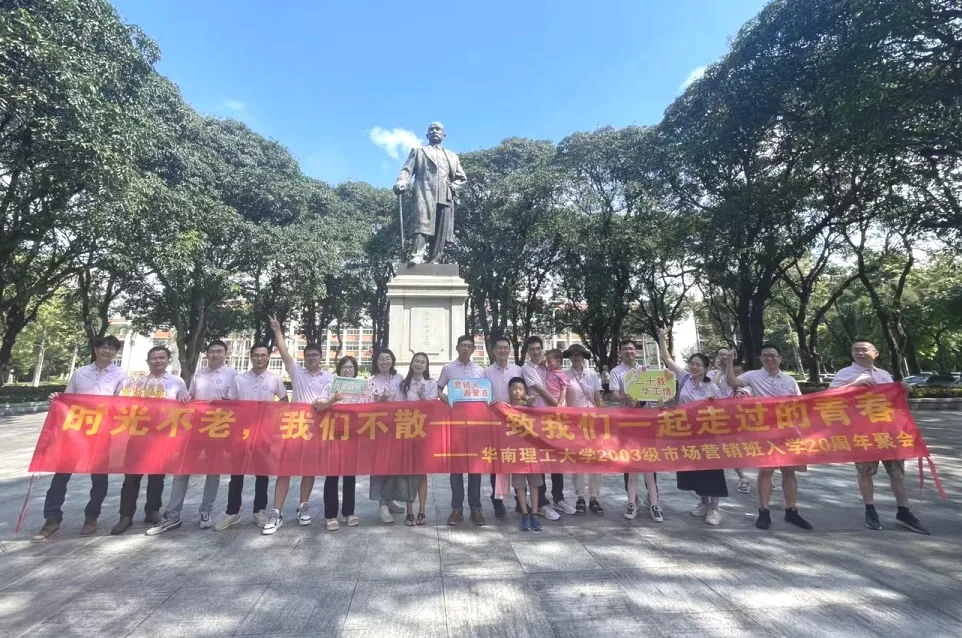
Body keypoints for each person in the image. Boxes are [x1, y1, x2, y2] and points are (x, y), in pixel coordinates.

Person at [828, 339, 928, 534]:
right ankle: (870, 510)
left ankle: (904, 512)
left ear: (875, 353)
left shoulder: (884, 374)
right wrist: (853, 385)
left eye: (864, 349)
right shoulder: (844, 374)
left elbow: (891, 402)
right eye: (855, 350)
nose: (859, 353)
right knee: (865, 472)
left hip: (888, 431)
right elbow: (827, 397)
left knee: (897, 473)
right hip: (862, 432)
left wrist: (903, 392)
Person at [34, 336, 125, 541]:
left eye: (112, 348)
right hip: (76, 431)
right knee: (61, 475)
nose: (107, 351)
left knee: (99, 478)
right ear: (96, 349)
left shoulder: (121, 374)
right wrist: (56, 400)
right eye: (103, 347)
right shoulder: (80, 373)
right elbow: (67, 400)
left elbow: (121, 403)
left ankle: (91, 517)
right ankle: (52, 519)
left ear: (116, 352)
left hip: (102, 433)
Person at [147, 340, 236, 535]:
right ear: (207, 354)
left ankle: (205, 511)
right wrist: (185, 397)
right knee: (182, 470)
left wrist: (222, 401)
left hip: (218, 428)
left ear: (226, 354)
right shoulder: (199, 374)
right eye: (211, 351)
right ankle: (173, 515)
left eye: (219, 351)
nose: (215, 355)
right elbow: (191, 395)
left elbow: (236, 402)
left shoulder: (233, 375)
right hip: (194, 428)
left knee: (213, 472)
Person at [262, 315, 337, 535]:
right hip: (295, 427)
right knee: (285, 470)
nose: (312, 358)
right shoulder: (296, 371)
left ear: (321, 357)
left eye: (315, 355)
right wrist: (277, 330)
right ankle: (276, 512)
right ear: (304, 357)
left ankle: (303, 505)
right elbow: (284, 351)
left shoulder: (329, 377)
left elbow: (331, 399)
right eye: (308, 355)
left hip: (317, 429)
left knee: (309, 470)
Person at [725, 343, 813, 531]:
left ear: (780, 358)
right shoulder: (753, 376)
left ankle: (791, 510)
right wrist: (730, 363)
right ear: (761, 358)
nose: (770, 359)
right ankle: (764, 511)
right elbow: (732, 383)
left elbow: (799, 405)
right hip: (765, 432)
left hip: (788, 432)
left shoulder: (789, 380)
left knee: (789, 471)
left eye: (773, 355)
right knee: (766, 471)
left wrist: (801, 430)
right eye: (765, 355)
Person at [110, 346, 189, 535]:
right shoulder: (138, 382)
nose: (158, 361)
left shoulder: (177, 382)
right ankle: (126, 515)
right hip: (138, 434)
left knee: (157, 476)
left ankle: (152, 511)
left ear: (168, 360)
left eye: (162, 357)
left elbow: (185, 407)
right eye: (154, 358)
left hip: (162, 436)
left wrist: (185, 398)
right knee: (132, 476)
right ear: (148, 361)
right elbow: (122, 403)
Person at [213, 343, 288, 531]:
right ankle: (233, 512)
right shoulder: (239, 379)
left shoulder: (275, 379)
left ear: (268, 357)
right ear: (251, 356)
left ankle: (259, 510)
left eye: (263, 355)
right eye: (256, 355)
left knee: (261, 472)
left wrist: (274, 418)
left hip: (264, 432)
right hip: (241, 432)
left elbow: (284, 402)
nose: (260, 358)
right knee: (236, 473)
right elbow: (232, 403)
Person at [657, 329, 728, 525]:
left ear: (706, 368)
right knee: (696, 469)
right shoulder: (685, 378)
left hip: (708, 435)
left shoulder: (712, 387)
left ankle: (714, 509)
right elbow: (668, 359)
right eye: (692, 363)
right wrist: (662, 339)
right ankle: (703, 503)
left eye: (698, 365)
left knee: (712, 471)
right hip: (687, 434)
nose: (694, 367)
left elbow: (724, 409)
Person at [393, 121, 468, 264]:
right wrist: (402, 181)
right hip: (424, 192)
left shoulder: (452, 156)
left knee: (441, 229)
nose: (434, 131)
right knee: (421, 224)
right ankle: (417, 255)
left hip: (445, 195)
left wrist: (453, 187)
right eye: (431, 129)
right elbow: (406, 170)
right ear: (427, 135)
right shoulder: (418, 151)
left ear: (444, 135)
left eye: (438, 129)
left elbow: (462, 178)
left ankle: (435, 260)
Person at [521, 336, 576, 520]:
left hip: (555, 420)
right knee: (541, 460)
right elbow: (541, 390)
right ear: (528, 352)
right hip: (537, 419)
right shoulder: (527, 369)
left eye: (538, 348)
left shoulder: (548, 366)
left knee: (556, 458)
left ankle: (558, 498)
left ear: (542, 350)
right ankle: (542, 503)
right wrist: (558, 405)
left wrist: (560, 408)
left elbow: (561, 384)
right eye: (532, 349)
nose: (535, 352)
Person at [609, 339, 663, 523]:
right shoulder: (617, 372)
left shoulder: (646, 371)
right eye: (625, 349)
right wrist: (625, 397)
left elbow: (655, 393)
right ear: (620, 352)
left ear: (637, 352)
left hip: (646, 421)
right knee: (629, 462)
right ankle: (633, 501)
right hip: (627, 421)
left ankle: (654, 500)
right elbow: (614, 394)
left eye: (631, 349)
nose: (629, 351)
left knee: (649, 462)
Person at [437, 334, 487, 526]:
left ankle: (475, 507)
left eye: (469, 346)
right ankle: (456, 509)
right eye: (463, 345)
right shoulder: (448, 368)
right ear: (457, 347)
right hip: (455, 425)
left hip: (475, 425)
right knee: (456, 469)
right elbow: (438, 388)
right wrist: (441, 396)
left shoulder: (480, 370)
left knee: (475, 468)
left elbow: (485, 394)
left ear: (473, 349)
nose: (466, 348)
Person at [383, 353, 434, 526]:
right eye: (416, 361)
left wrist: (423, 398)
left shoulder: (431, 384)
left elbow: (434, 408)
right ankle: (410, 511)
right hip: (406, 433)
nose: (419, 364)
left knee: (422, 473)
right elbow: (396, 407)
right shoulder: (403, 384)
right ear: (412, 364)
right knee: (408, 471)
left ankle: (422, 510)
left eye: (422, 362)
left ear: (426, 366)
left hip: (424, 433)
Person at [483, 335, 523, 518]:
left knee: (517, 460)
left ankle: (520, 499)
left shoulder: (517, 370)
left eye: (506, 348)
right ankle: (497, 501)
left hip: (515, 422)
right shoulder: (486, 372)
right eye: (499, 348)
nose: (502, 351)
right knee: (496, 462)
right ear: (493, 350)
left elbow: (523, 392)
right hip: (494, 422)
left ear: (510, 350)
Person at [564, 344, 604, 515]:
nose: (576, 358)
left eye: (579, 355)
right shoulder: (565, 376)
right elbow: (563, 401)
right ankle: (580, 497)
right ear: (569, 357)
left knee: (595, 459)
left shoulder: (592, 374)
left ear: (583, 357)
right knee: (578, 460)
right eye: (573, 355)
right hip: (575, 424)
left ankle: (594, 497)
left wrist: (605, 419)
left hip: (593, 421)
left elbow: (598, 398)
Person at [367, 348, 406, 524]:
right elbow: (366, 407)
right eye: (381, 359)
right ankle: (382, 505)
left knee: (395, 466)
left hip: (399, 427)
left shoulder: (400, 378)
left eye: (388, 358)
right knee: (380, 467)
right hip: (379, 429)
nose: (385, 362)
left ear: (393, 360)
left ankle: (389, 499)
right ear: (376, 362)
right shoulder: (371, 382)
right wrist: (380, 400)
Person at [322, 356, 361, 530]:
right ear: (339, 369)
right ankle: (331, 515)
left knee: (350, 476)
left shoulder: (362, 387)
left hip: (352, 436)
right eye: (344, 367)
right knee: (332, 474)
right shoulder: (330, 385)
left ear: (355, 370)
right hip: (332, 434)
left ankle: (348, 512)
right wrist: (333, 400)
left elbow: (371, 406)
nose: (347, 370)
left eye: (350, 367)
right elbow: (319, 405)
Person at [708, 346, 751, 494]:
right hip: (720, 416)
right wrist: (720, 371)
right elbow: (713, 386)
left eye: (727, 355)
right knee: (729, 447)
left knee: (751, 445)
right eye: (721, 355)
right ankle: (742, 477)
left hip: (739, 414)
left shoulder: (739, 371)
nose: (724, 357)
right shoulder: (712, 373)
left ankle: (766, 475)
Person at [508, 377, 543, 532]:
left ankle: (534, 513)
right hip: (515, 453)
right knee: (520, 485)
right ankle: (525, 513)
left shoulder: (530, 408)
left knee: (534, 484)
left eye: (520, 389)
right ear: (509, 390)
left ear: (525, 391)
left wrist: (531, 404)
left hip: (532, 452)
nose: (517, 392)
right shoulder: (505, 408)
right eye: (514, 389)